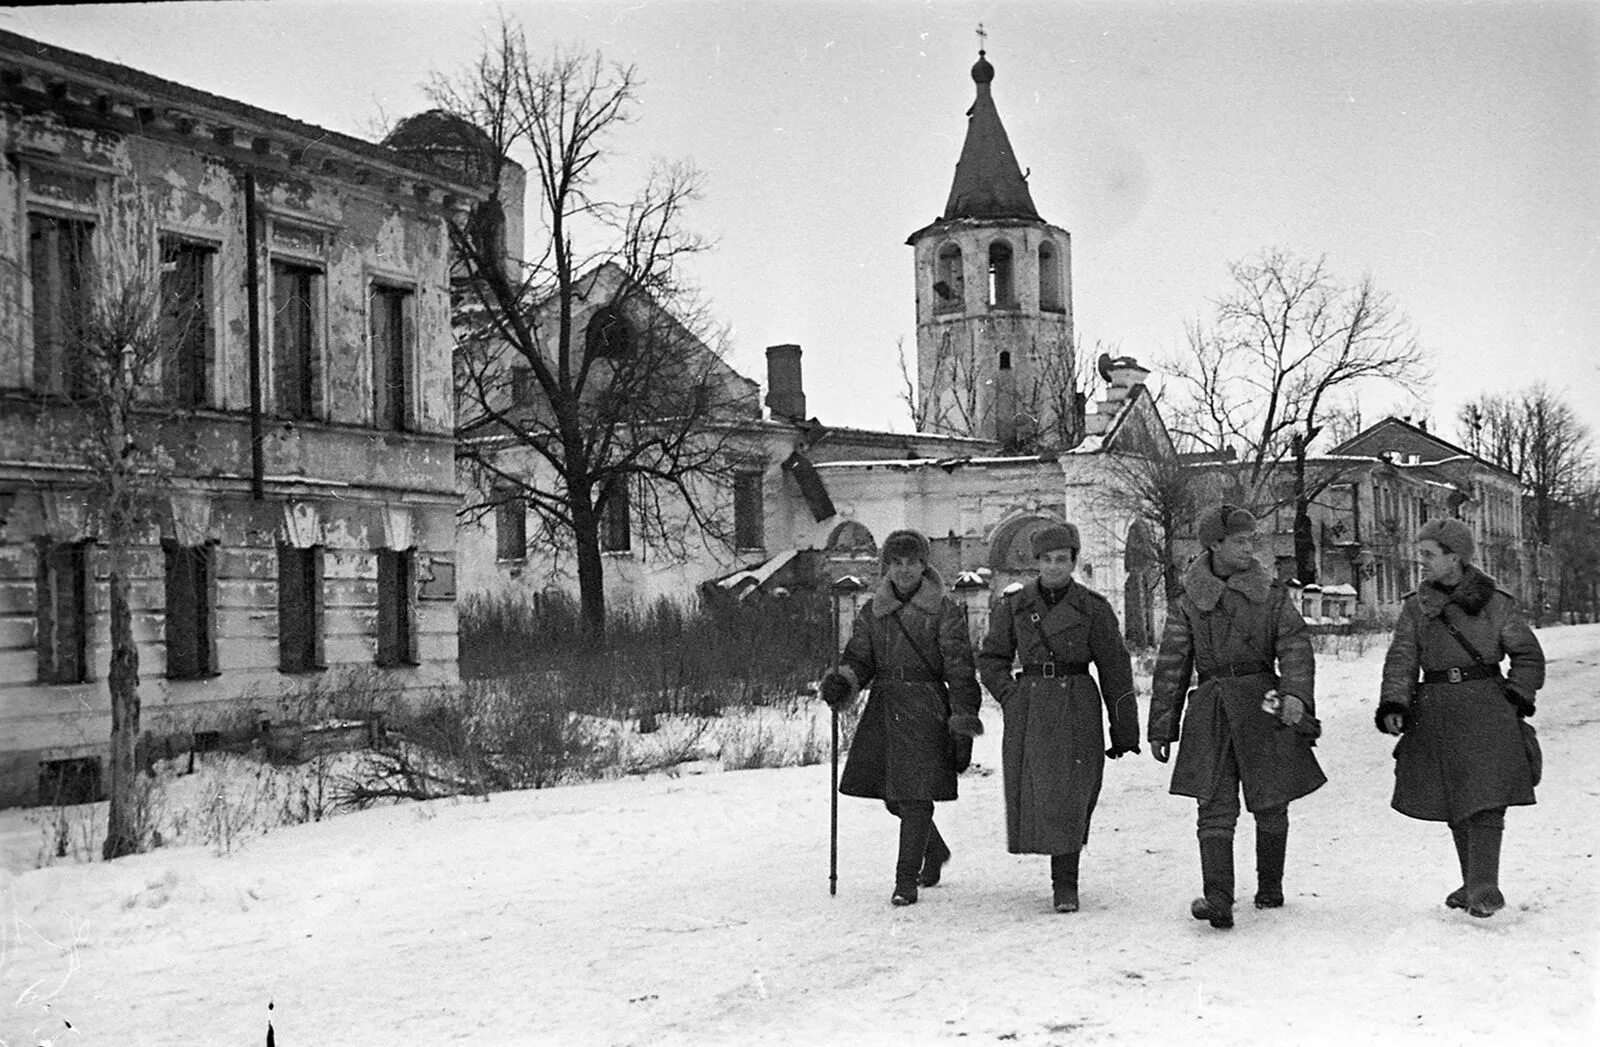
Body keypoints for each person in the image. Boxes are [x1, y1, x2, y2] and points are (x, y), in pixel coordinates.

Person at [1148, 504, 1325, 930]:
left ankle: (1270, 886)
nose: (1251, 548)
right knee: (1213, 804)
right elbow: (1173, 663)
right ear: (1215, 545)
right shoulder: (1189, 600)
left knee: (1271, 800)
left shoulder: (1272, 594)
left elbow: (1295, 646)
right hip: (1210, 709)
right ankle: (1218, 898)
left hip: (1264, 704)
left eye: (1252, 540)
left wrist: (1296, 694)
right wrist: (1161, 725)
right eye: (1241, 541)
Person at [1374, 517, 1544, 918]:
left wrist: (1518, 694)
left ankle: (1485, 886)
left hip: (1487, 707)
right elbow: (1401, 659)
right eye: (1422, 555)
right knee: (1454, 798)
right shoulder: (1417, 608)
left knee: (1486, 797)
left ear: (1455, 557)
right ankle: (1473, 883)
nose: (1423, 563)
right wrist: (1394, 704)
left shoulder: (1496, 604)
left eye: (1430, 555)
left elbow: (1527, 655)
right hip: (1435, 710)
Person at [977, 523, 1139, 913]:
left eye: (1062, 560)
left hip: (1077, 703)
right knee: (1040, 790)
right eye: (1047, 560)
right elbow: (992, 659)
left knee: (1072, 793)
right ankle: (1059, 875)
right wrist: (1010, 696)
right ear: (1036, 563)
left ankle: (1065, 883)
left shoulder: (1093, 608)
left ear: (1073, 561)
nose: (1054, 567)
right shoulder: (1015, 606)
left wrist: (1125, 729)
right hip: (1030, 707)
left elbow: (1115, 668)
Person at [820, 529, 983, 906]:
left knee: (914, 798)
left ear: (925, 565)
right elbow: (860, 658)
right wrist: (842, 683)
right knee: (894, 797)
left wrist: (962, 718)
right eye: (898, 562)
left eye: (913, 562)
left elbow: (959, 668)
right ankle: (935, 850)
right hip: (885, 707)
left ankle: (904, 881)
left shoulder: (944, 610)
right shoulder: (872, 612)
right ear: (887, 567)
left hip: (926, 708)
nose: (905, 569)